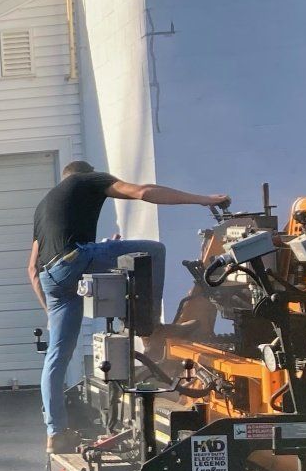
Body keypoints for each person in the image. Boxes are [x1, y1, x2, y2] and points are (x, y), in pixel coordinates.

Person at [29, 160, 229, 451]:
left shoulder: (43, 207)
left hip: (52, 277)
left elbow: (32, 269)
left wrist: (50, 310)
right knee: (153, 250)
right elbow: (144, 191)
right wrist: (203, 199)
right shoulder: (89, 180)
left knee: (56, 358)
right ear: (87, 175)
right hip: (74, 260)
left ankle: (55, 433)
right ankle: (152, 330)